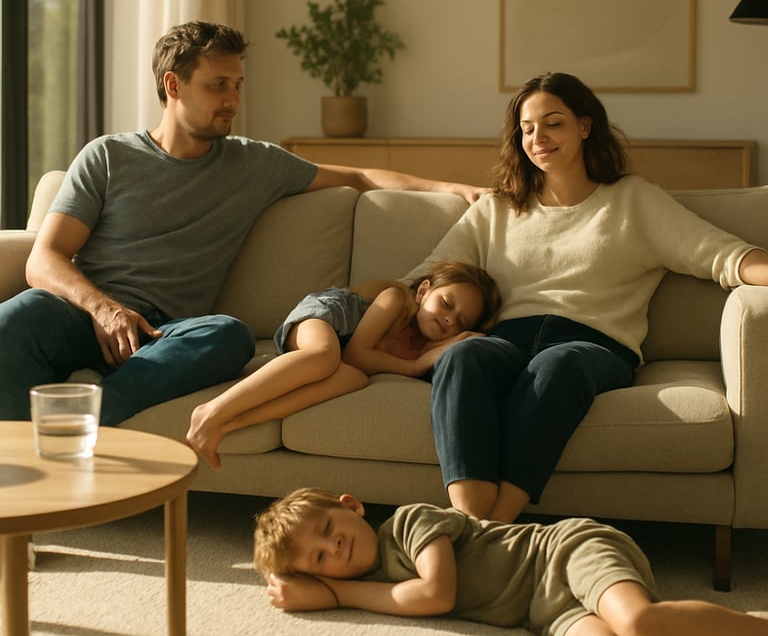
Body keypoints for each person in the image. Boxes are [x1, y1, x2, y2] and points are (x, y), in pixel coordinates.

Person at [0, 21, 486, 426]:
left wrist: (456, 189)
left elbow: (359, 175)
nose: (232, 99)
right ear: (173, 85)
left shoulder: (254, 164)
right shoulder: (108, 156)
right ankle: (20, 473)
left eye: (237, 86)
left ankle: (95, 421)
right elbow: (45, 259)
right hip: (86, 316)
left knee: (228, 335)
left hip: (168, 334)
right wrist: (104, 310)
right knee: (19, 315)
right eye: (218, 86)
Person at [403, 71, 768, 526]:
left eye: (552, 123)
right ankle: (471, 519)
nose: (538, 137)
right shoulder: (497, 208)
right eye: (528, 128)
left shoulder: (634, 201)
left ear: (585, 126)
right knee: (464, 354)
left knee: (557, 364)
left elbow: (723, 256)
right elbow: (421, 279)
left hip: (592, 348)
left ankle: (493, 528)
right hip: (507, 342)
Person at [253, 488, 768, 636]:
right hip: (545, 614)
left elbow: (437, 595)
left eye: (328, 530)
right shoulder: (379, 585)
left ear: (351, 506)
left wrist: (335, 594)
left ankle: (752, 626)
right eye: (320, 558)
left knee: (636, 622)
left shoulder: (409, 523)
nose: (335, 547)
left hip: (564, 553)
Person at [186, 260, 501, 470]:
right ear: (423, 291)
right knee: (325, 355)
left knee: (352, 380)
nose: (449, 318)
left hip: (340, 353)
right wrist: (416, 365)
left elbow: (355, 367)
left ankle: (229, 425)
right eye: (447, 304)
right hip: (325, 317)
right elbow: (357, 354)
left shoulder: (424, 345)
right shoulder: (394, 298)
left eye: (460, 321)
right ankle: (213, 410)